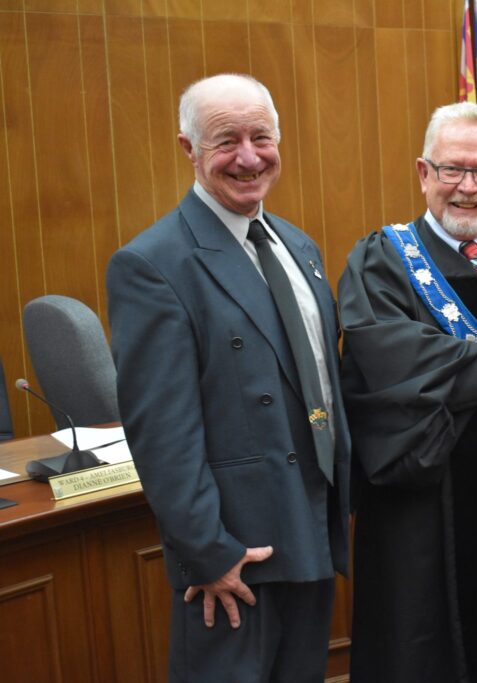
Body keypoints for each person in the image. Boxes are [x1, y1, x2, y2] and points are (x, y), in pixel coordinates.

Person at [107, 73, 350, 682]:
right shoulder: (153, 265)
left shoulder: (299, 247)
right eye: (225, 141)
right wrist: (209, 554)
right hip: (235, 559)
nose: (248, 157)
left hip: (310, 532)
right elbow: (162, 431)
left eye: (261, 136)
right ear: (188, 150)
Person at [338, 102, 477, 683]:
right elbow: (388, 362)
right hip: (429, 504)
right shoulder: (383, 260)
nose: (468, 188)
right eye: (452, 170)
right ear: (423, 173)